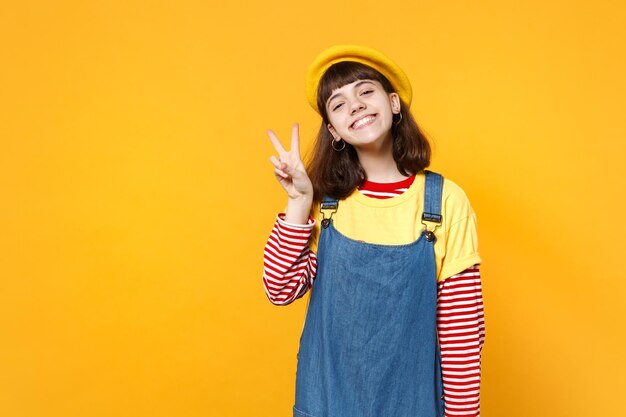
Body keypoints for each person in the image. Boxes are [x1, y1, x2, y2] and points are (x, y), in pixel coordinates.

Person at [263, 45, 484, 417]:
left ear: (394, 103)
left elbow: (461, 333)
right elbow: (280, 289)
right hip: (327, 403)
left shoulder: (445, 201)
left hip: (413, 404)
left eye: (365, 91)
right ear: (333, 130)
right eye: (339, 103)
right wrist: (300, 201)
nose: (356, 105)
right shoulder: (327, 204)